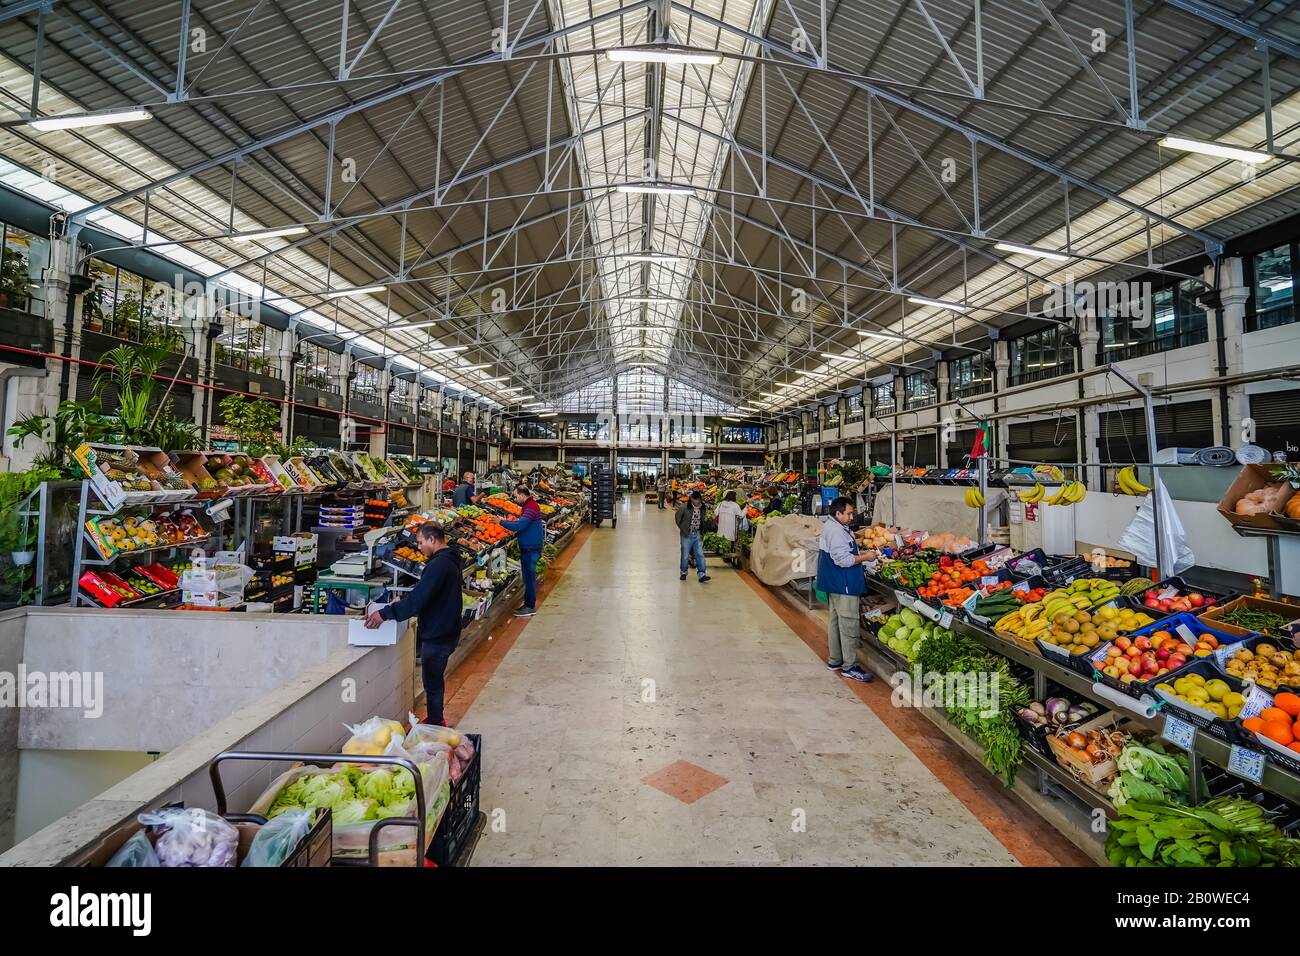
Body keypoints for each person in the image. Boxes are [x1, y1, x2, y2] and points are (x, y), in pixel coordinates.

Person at [365, 522, 462, 724]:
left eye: (420, 542)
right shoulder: (449, 559)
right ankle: (435, 720)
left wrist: (385, 613)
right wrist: (404, 601)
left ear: (432, 540)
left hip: (438, 634)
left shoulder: (438, 565)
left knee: (432, 682)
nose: (418, 547)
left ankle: (436, 723)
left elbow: (419, 600)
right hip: (448, 629)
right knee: (434, 680)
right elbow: (429, 593)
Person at [817, 496, 874, 683]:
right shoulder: (834, 531)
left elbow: (843, 548)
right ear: (838, 513)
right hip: (844, 584)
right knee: (848, 624)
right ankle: (850, 666)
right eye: (848, 514)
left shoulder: (835, 527)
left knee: (835, 622)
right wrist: (866, 556)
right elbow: (843, 560)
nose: (851, 517)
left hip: (835, 583)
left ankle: (835, 660)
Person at [500, 483, 545, 617]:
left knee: (529, 578)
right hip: (529, 546)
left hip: (531, 548)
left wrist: (501, 522)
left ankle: (530, 606)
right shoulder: (528, 506)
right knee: (528, 577)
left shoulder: (531, 507)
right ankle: (528, 604)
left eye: (515, 496)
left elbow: (520, 525)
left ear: (521, 495)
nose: (514, 499)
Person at [675, 490, 711, 583]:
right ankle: (683, 572)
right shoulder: (684, 507)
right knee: (685, 555)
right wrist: (683, 528)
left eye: (698, 499)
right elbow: (678, 518)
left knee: (700, 554)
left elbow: (703, 519)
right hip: (686, 534)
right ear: (691, 499)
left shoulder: (702, 507)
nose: (697, 501)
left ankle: (702, 574)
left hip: (698, 534)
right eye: (695, 499)